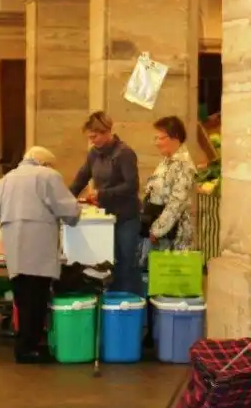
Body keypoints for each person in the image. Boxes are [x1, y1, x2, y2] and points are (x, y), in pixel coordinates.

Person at [0, 146, 79, 363]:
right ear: (45, 163)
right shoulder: (48, 176)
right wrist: (77, 213)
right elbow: (68, 208)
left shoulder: (8, 178)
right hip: (38, 245)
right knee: (37, 297)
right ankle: (29, 348)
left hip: (14, 246)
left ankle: (23, 345)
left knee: (22, 297)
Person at [69, 112, 141, 295]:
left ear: (107, 131)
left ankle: (129, 304)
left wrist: (102, 193)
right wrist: (66, 199)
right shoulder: (94, 154)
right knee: (108, 261)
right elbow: (81, 178)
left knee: (126, 261)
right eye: (90, 137)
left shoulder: (124, 153)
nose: (92, 141)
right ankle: (111, 304)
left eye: (95, 136)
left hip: (127, 216)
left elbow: (132, 186)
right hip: (106, 218)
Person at [144, 116, 197, 250]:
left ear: (176, 137)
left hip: (173, 234)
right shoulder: (167, 161)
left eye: (161, 138)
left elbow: (177, 202)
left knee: (166, 270)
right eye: (155, 138)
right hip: (160, 227)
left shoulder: (183, 164)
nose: (157, 142)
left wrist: (158, 229)